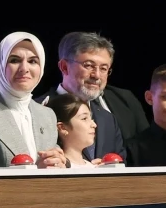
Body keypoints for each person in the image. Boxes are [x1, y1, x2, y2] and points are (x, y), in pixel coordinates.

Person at [50, 32, 149, 161]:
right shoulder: (42, 111)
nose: (96, 75)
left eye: (103, 68)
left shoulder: (108, 119)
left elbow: (120, 162)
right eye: (88, 65)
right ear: (64, 67)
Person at [0, 32, 65, 168]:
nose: (24, 69)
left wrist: (59, 164)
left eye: (32, 61)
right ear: (1, 64)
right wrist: (33, 172)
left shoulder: (47, 115)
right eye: (15, 60)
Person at [49, 92, 100, 167]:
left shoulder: (94, 167)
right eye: (84, 118)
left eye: (91, 118)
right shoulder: (55, 168)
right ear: (62, 128)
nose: (94, 125)